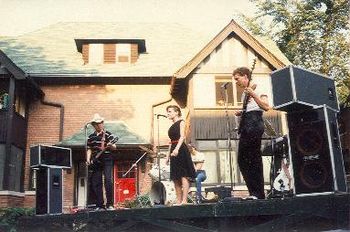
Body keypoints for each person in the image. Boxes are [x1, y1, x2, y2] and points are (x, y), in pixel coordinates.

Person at [232, 67, 270, 200]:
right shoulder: (244, 93)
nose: (236, 82)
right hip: (246, 124)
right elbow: (250, 108)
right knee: (242, 159)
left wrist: (253, 94)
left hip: (255, 123)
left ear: (245, 76)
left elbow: (266, 106)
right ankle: (253, 192)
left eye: (237, 79)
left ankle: (258, 193)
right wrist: (241, 112)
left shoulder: (258, 88)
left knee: (253, 158)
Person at [86, 113, 117, 210]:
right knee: (96, 182)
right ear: (93, 125)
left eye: (100, 123)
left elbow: (115, 147)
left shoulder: (108, 134)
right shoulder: (91, 137)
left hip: (107, 159)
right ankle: (99, 205)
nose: (99, 125)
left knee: (108, 180)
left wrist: (111, 145)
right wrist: (88, 159)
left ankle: (110, 204)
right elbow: (89, 148)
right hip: (95, 161)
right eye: (97, 123)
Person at [165, 105, 196, 205]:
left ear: (177, 112)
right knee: (175, 176)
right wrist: (167, 155)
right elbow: (171, 142)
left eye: (170, 111)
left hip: (181, 149)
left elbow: (182, 136)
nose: (168, 114)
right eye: (168, 112)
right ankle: (178, 200)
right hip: (174, 148)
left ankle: (184, 200)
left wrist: (177, 149)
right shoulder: (171, 126)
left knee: (183, 175)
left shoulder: (181, 122)